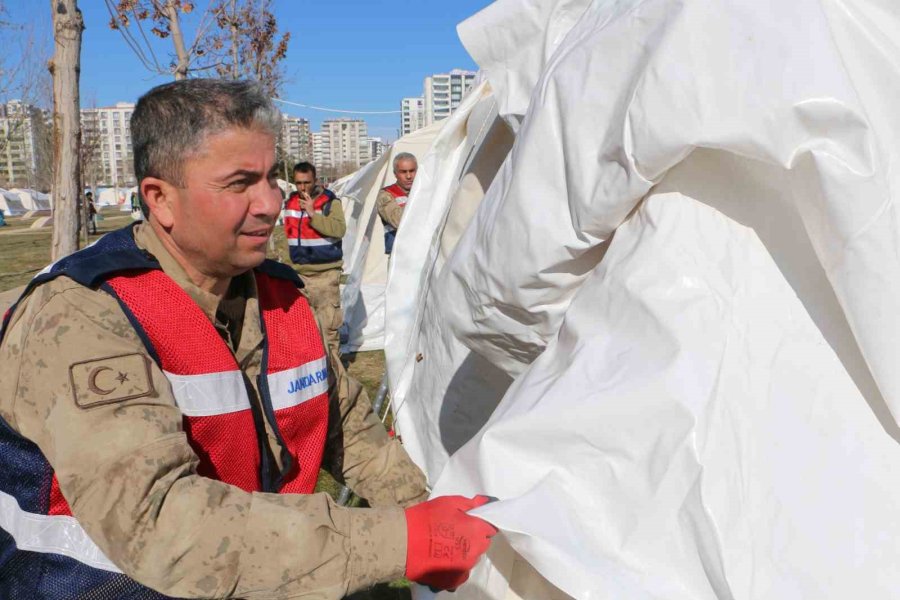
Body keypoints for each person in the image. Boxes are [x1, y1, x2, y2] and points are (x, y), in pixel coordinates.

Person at [0, 79, 496, 599]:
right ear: (160, 199)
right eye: (239, 183)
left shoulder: (281, 299)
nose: (269, 203)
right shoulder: (83, 317)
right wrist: (401, 541)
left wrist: (432, 513)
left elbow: (349, 431)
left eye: (270, 178)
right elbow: (158, 521)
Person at [283, 162, 345, 355]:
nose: (302, 188)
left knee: (328, 330)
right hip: (299, 276)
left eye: (307, 182)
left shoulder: (330, 202)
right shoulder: (289, 202)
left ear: (315, 180)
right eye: (298, 183)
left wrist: (312, 214)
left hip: (325, 275)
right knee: (305, 332)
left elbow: (339, 230)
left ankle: (334, 376)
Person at [376, 152, 417, 255]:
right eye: (403, 172)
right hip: (399, 255)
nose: (408, 176)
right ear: (395, 174)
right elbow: (398, 221)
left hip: (422, 252)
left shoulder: (424, 191)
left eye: (412, 171)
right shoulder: (386, 195)